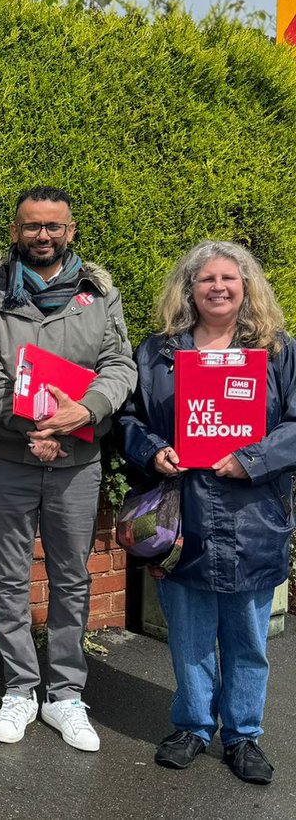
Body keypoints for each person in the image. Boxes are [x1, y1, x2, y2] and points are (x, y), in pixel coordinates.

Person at [0, 186, 135, 752]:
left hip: (78, 460)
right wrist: (31, 427)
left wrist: (82, 413)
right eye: (32, 226)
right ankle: (19, 689)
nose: (43, 235)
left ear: (71, 230)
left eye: (53, 226)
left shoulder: (99, 294)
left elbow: (119, 364)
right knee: (8, 577)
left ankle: (64, 696)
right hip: (10, 456)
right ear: (15, 232)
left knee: (71, 579)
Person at [120, 241, 294, 785]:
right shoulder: (157, 353)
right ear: (189, 289)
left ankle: (243, 736)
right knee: (190, 632)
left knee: (247, 636)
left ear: (247, 287)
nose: (218, 287)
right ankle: (194, 725)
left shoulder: (279, 352)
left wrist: (252, 459)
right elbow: (129, 418)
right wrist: (153, 451)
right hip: (183, 513)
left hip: (253, 514)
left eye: (229, 278)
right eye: (206, 279)